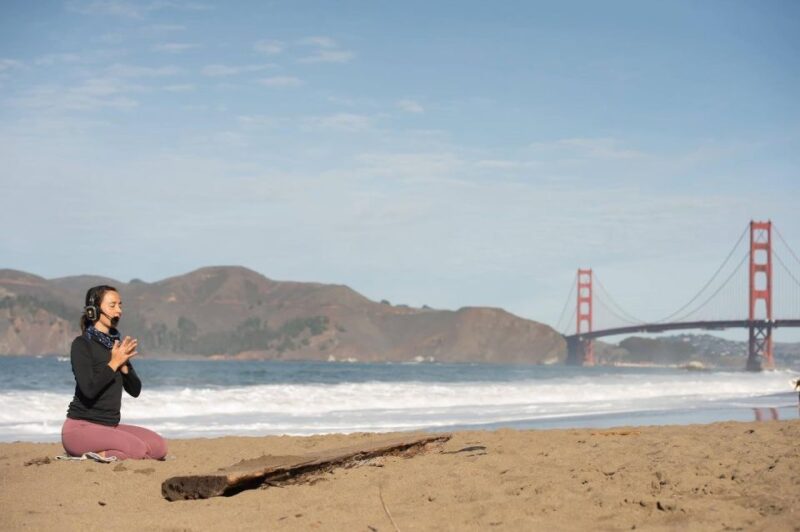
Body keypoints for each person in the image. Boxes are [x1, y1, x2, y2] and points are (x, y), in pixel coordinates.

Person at [61, 285, 167, 461]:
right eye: (112, 305)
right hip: (80, 429)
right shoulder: (81, 345)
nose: (119, 310)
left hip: (109, 427)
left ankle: (112, 452)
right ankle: (92, 454)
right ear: (93, 310)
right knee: (138, 450)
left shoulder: (114, 346)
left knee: (159, 447)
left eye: (120, 305)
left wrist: (124, 367)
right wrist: (114, 363)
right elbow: (88, 389)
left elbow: (135, 391)